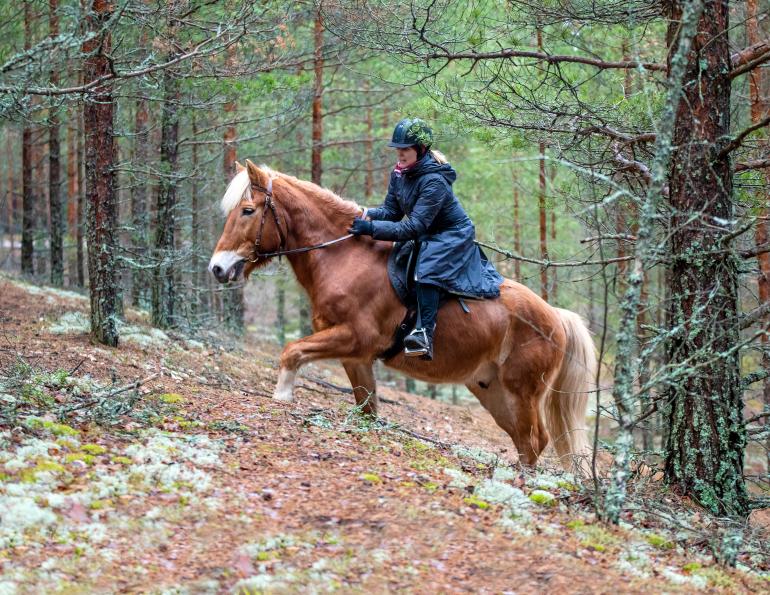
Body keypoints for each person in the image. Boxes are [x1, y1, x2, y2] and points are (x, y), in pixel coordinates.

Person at [348, 118, 504, 361]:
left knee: (426, 270)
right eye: (398, 148)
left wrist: (370, 228)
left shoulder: (434, 181)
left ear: (420, 150)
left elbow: (413, 226)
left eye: (405, 149)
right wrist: (361, 213)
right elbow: (392, 212)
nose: (399, 153)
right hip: (426, 231)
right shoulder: (399, 174)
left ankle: (424, 333)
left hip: (451, 234)